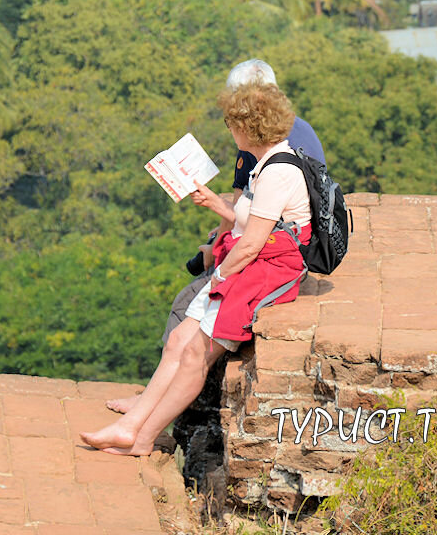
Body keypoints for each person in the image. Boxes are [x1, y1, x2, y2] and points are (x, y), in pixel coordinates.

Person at [80, 82, 311, 455]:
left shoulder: (278, 173)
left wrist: (219, 276)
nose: (229, 129)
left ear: (248, 128)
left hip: (262, 270)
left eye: (231, 122)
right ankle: (130, 427)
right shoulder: (264, 165)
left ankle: (140, 436)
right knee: (177, 342)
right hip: (245, 262)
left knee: (195, 356)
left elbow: (253, 243)